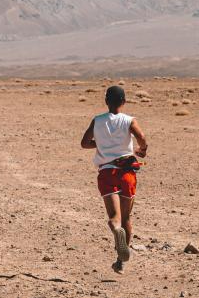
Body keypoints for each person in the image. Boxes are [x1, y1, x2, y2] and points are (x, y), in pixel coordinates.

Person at [80, 85, 148, 274]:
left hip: (107, 173)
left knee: (114, 217)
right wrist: (142, 150)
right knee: (127, 217)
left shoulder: (98, 121)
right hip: (127, 173)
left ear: (106, 102)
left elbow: (84, 143)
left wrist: (100, 145)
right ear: (124, 102)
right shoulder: (129, 120)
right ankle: (121, 260)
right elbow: (141, 137)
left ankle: (114, 227)